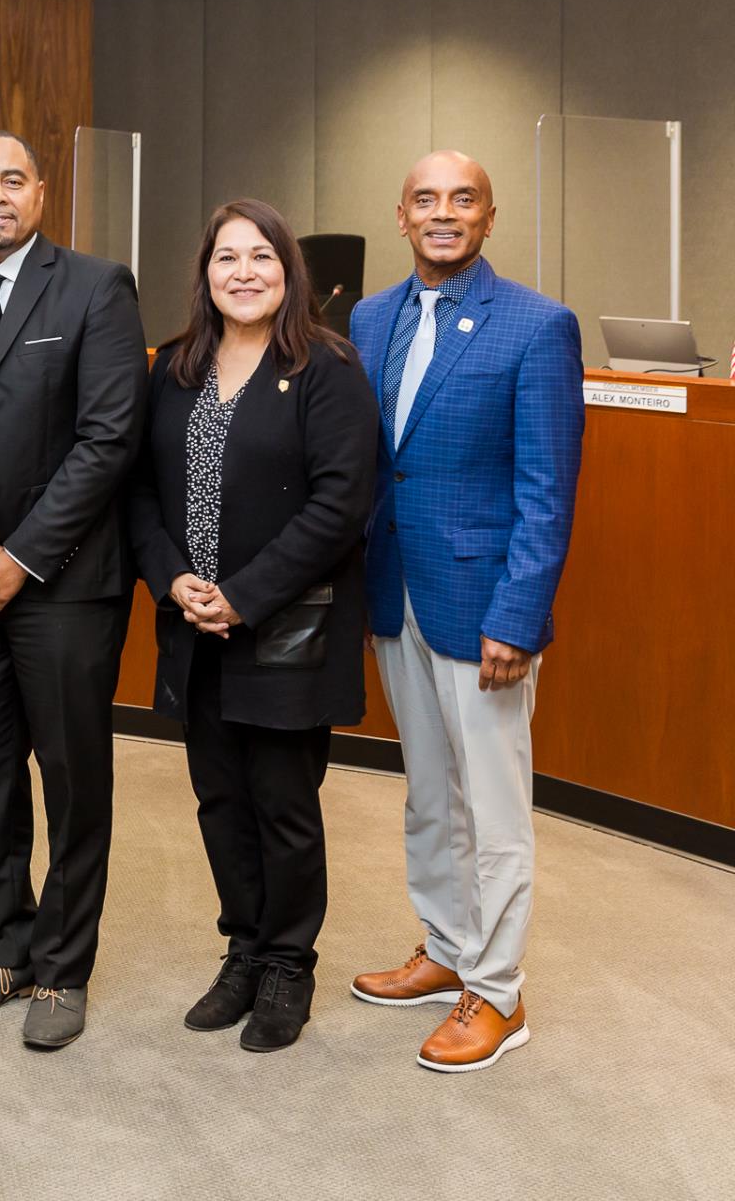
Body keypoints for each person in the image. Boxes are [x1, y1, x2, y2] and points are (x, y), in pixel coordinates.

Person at [0, 131, 147, 1049]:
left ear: (40, 196)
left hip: (64, 584)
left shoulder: (96, 287)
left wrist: (19, 555)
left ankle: (62, 969)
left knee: (73, 779)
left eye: (13, 180)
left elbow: (108, 441)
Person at [348, 150, 583, 1073]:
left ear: (488, 218)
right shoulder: (371, 317)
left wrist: (519, 617)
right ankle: (447, 949)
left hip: (484, 605)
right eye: (425, 199)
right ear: (401, 216)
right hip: (394, 592)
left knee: (492, 806)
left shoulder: (537, 325)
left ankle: (498, 988)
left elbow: (548, 489)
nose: (443, 213)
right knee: (429, 794)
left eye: (463, 199)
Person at [127, 199, 377, 1052]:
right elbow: (140, 493)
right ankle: (242, 947)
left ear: (289, 271)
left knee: (283, 803)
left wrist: (244, 593)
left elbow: (341, 504)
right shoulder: (174, 368)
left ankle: (287, 964)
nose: (243, 272)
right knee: (218, 799)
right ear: (204, 273)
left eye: (261, 257)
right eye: (226, 257)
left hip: (286, 627)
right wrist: (174, 579)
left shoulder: (327, 366)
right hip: (192, 626)